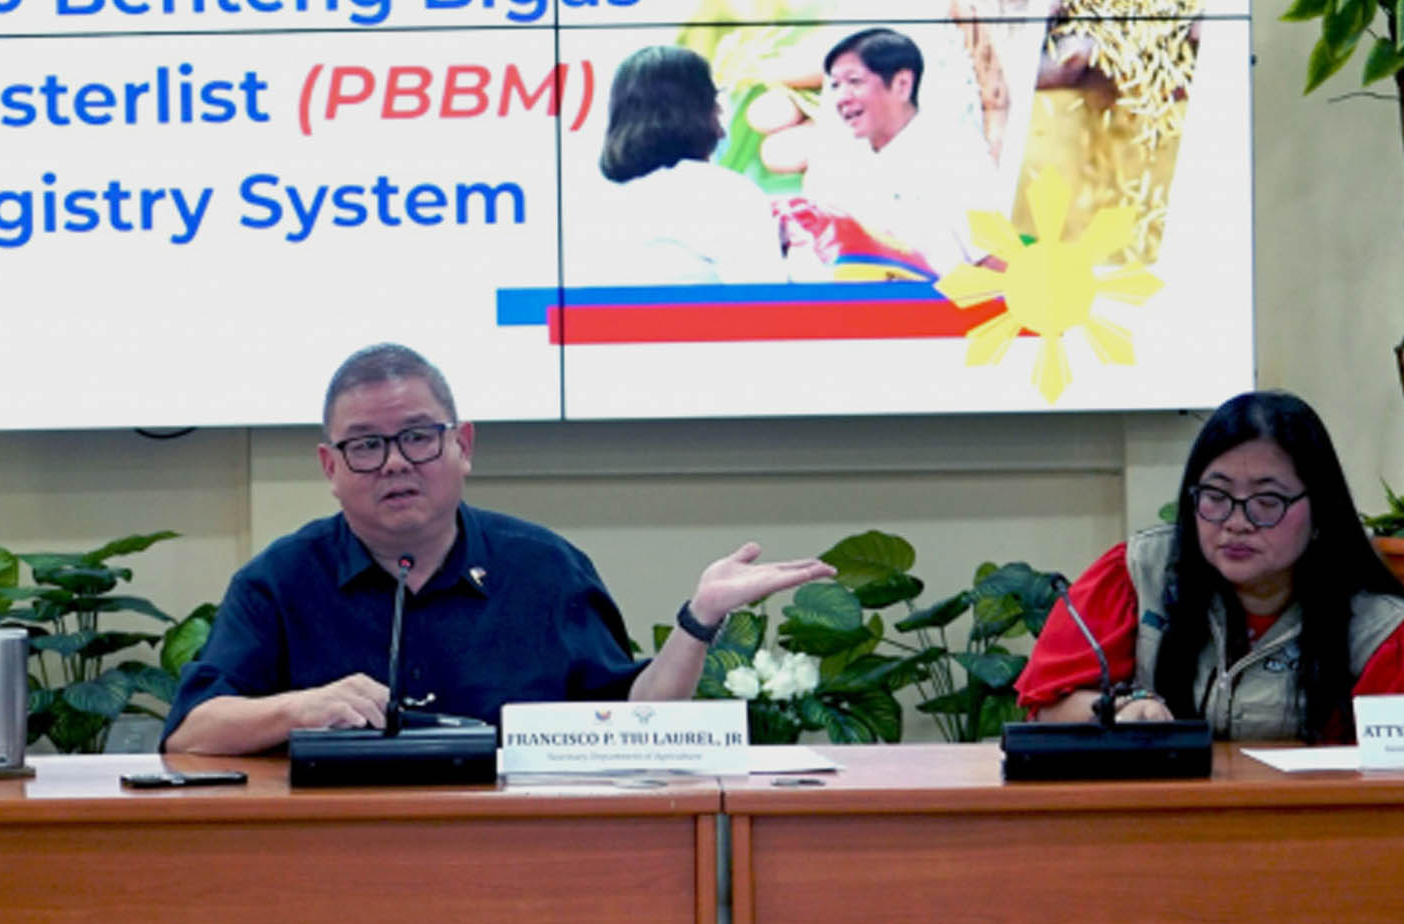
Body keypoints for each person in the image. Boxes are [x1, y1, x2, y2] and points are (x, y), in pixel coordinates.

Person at [162, 343, 834, 755]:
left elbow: (634, 717)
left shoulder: (544, 569)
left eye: (418, 437)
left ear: (464, 446)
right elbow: (191, 730)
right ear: (330, 467)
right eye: (365, 445)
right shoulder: (280, 580)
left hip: (524, 862)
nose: (395, 462)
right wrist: (297, 709)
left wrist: (698, 620)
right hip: (330, 864)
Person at [1016, 391, 1404, 742]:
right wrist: (1123, 709)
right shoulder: (1141, 574)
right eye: (1216, 496)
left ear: (1320, 513)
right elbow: (1047, 708)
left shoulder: (1382, 633)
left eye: (1267, 501)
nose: (1236, 522)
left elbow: (1403, 775)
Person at [573, 44, 787, 285]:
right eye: (714, 98)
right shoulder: (724, 195)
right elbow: (764, 296)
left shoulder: (596, 208)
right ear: (704, 110)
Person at [798, 27, 996, 276]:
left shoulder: (956, 157)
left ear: (902, 85)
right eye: (835, 85)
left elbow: (995, 261)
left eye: (854, 82)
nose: (842, 98)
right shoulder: (832, 163)